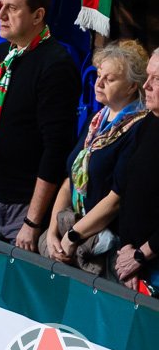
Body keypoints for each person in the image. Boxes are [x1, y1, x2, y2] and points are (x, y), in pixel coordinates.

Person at [0, 0, 81, 250]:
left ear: (38, 15)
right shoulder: (0, 54)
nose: (0, 15)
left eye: (12, 8)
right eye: (1, 5)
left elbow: (56, 150)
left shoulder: (56, 66)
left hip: (23, 208)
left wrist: (32, 222)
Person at [44, 39, 150, 274]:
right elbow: (69, 180)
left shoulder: (139, 128)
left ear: (132, 86)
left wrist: (72, 236)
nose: (98, 83)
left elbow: (116, 200)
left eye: (109, 79)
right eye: (99, 75)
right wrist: (52, 231)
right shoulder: (96, 119)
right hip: (71, 234)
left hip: (104, 247)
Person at [101, 51, 159, 292]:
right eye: (147, 76)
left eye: (157, 79)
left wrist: (141, 255)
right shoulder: (146, 123)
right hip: (130, 259)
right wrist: (127, 247)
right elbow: (126, 190)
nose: (146, 86)